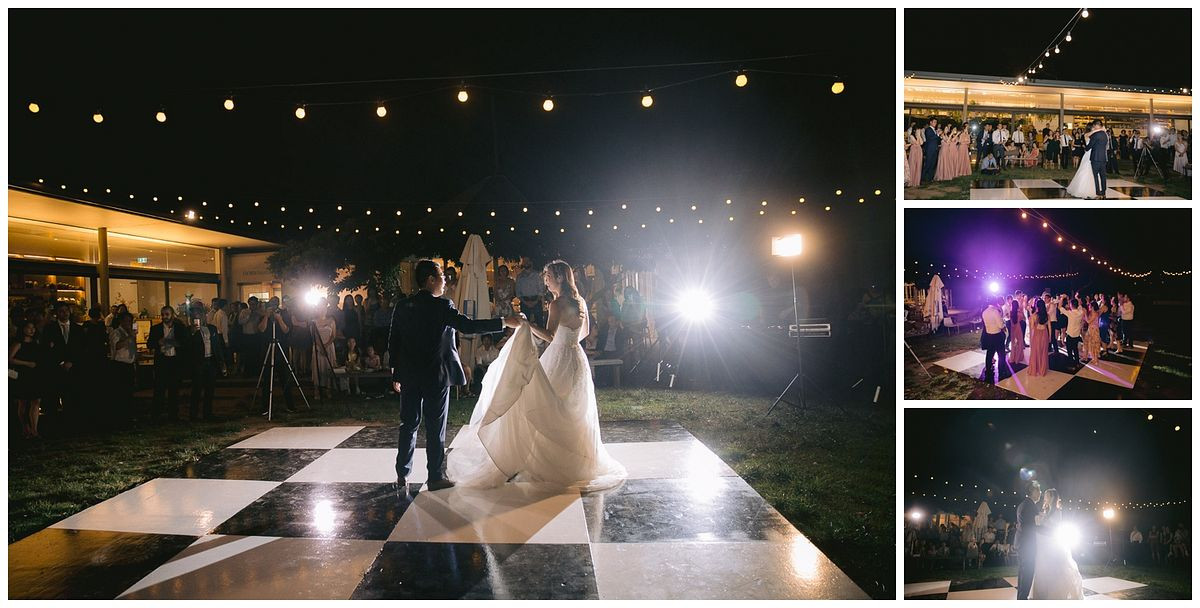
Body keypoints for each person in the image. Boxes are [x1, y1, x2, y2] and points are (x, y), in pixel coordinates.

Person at [448, 259, 627, 491]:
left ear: (560, 277)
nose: (546, 281)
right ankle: (575, 460)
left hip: (560, 359)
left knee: (549, 408)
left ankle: (549, 461)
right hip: (577, 359)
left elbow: (550, 336)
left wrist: (527, 324)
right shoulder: (580, 301)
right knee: (573, 410)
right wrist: (569, 342)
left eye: (549, 277)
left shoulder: (557, 304)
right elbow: (583, 333)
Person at [389, 260, 522, 493]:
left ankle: (402, 474)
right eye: (442, 275)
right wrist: (503, 322)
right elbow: (467, 326)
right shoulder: (442, 306)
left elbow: (395, 341)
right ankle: (435, 477)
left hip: (409, 375)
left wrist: (396, 373)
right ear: (430, 280)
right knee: (435, 426)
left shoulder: (403, 306)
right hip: (435, 375)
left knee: (408, 424)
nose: (445, 280)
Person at [1029, 488, 1084, 599]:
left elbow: (1054, 528)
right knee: (1042, 567)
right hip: (1043, 544)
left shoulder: (1057, 511)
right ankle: (1041, 592)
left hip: (1051, 543)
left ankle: (1055, 593)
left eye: (1046, 496)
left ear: (1052, 498)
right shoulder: (1045, 510)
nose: (1044, 498)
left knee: (1055, 567)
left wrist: (1041, 523)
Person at [40, 301, 83, 419]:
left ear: (70, 312)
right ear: (57, 313)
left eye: (66, 311)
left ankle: (72, 418)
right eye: (61, 311)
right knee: (55, 393)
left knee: (72, 394)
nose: (64, 313)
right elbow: (46, 349)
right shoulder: (50, 328)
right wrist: (61, 362)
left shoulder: (78, 329)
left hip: (74, 367)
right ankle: (55, 420)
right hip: (56, 367)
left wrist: (72, 362)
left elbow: (81, 349)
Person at [185, 307, 225, 421]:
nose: (197, 317)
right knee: (196, 389)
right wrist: (193, 332)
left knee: (210, 389)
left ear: (203, 315)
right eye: (194, 315)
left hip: (211, 361)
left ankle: (208, 413)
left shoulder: (211, 328)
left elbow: (217, 346)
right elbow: (187, 346)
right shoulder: (189, 330)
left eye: (199, 314)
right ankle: (193, 414)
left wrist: (221, 362)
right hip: (198, 363)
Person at [148, 305, 188, 421]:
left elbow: (185, 342)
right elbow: (149, 344)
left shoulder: (180, 328)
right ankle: (156, 415)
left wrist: (175, 343)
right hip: (162, 361)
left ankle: (173, 415)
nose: (164, 317)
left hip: (175, 361)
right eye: (163, 315)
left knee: (174, 389)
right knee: (159, 389)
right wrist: (158, 342)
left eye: (167, 314)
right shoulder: (156, 328)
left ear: (172, 315)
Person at [10, 320, 46, 438]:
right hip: (23, 375)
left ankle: (34, 429)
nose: (32, 330)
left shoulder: (36, 342)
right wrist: (26, 363)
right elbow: (9, 359)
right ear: (23, 329)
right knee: (23, 402)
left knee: (36, 401)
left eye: (33, 328)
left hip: (35, 374)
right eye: (29, 328)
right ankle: (25, 427)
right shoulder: (18, 343)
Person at [108, 311, 138, 424]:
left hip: (129, 364)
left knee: (129, 392)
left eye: (130, 321)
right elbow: (116, 346)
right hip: (119, 365)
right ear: (121, 321)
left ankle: (128, 416)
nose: (128, 323)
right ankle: (120, 417)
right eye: (126, 321)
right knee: (120, 392)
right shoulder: (116, 332)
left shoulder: (129, 332)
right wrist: (129, 337)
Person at [1015, 481, 1042, 600]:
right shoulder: (1029, 505)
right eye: (1039, 490)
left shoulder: (1024, 504)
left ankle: (1021, 598)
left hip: (1022, 544)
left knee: (1023, 573)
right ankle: (1022, 599)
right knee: (1027, 574)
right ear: (1032, 491)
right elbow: (1030, 527)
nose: (1040, 493)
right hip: (1027, 545)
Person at [311, 302, 338, 399]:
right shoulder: (313, 322)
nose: (322, 310)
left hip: (329, 347)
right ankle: (317, 390)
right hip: (318, 347)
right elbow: (314, 336)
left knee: (328, 368)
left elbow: (333, 335)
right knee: (317, 368)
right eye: (320, 308)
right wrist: (321, 347)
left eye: (323, 308)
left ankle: (328, 389)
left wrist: (326, 345)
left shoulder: (331, 320)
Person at [980, 297, 1006, 384]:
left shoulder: (984, 311)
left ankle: (988, 369)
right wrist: (1004, 323)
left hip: (989, 335)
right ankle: (1002, 371)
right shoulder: (995, 311)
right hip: (997, 335)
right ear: (995, 302)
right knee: (1001, 354)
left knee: (989, 354)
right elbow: (1000, 325)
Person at [1027, 299, 1050, 377]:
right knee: (1043, 352)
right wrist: (1049, 337)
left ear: (1037, 306)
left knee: (1036, 351)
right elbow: (1049, 327)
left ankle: (1036, 368)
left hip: (1037, 335)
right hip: (1045, 333)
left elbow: (1032, 328)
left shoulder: (1034, 315)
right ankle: (1042, 369)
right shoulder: (1047, 315)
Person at [1062, 298, 1083, 364]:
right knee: (1075, 349)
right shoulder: (1081, 312)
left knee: (1069, 350)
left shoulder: (1070, 313)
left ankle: (1071, 363)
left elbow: (1060, 307)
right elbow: (1079, 305)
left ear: (1071, 305)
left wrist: (1062, 298)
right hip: (1077, 334)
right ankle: (1077, 362)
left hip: (1070, 334)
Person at [920, 118, 941, 183]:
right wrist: (937, 134)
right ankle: (922, 178)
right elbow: (930, 138)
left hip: (935, 149)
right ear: (931, 122)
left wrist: (939, 137)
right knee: (928, 164)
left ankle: (930, 178)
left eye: (936, 122)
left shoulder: (935, 130)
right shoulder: (928, 129)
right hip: (930, 149)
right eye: (934, 122)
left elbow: (936, 140)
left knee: (933, 164)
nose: (935, 123)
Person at [1008, 299, 1025, 366]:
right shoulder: (1019, 313)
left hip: (1013, 329)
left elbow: (1011, 322)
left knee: (1014, 343)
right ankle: (1018, 357)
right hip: (1018, 328)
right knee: (1019, 342)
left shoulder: (1011, 312)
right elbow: (1023, 318)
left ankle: (1013, 357)